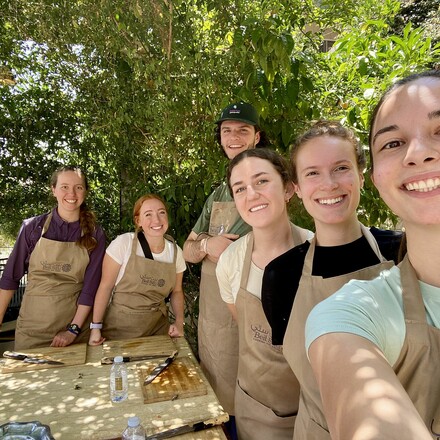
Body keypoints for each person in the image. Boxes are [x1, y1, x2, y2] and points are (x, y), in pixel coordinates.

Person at [305, 70, 440, 440]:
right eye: (393, 143)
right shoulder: (346, 312)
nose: (417, 153)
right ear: (297, 190)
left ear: (365, 177)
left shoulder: (388, 244)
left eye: (439, 130)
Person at [261, 120, 401, 439]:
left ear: (361, 177)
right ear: (296, 187)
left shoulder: (404, 252)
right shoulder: (280, 275)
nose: (329, 184)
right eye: (312, 173)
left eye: (341, 168)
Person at [216, 148, 313, 439]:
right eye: (240, 188)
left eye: (261, 181)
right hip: (255, 412)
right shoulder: (230, 262)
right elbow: (247, 331)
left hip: (317, 413)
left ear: (288, 188)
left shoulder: (320, 251)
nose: (252, 194)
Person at [183, 102, 269, 422]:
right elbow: (187, 250)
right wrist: (208, 243)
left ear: (256, 137)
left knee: (250, 405)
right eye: (226, 131)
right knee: (216, 402)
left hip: (249, 313)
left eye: (242, 130)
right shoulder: (218, 193)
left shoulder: (267, 184)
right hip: (212, 317)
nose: (233, 137)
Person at [0, 165, 106, 349]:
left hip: (74, 332)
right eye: (64, 186)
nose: (71, 193)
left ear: (85, 191)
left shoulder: (95, 234)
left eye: (78, 187)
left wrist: (72, 330)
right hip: (32, 330)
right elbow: (10, 278)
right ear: (53, 190)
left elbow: (91, 288)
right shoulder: (32, 228)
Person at [88, 194, 185, 345]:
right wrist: (95, 327)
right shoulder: (123, 244)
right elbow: (105, 287)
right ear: (138, 221)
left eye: (161, 212)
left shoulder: (176, 252)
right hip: (118, 331)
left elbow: (177, 291)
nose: (156, 220)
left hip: (157, 331)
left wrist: (179, 322)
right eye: (148, 214)